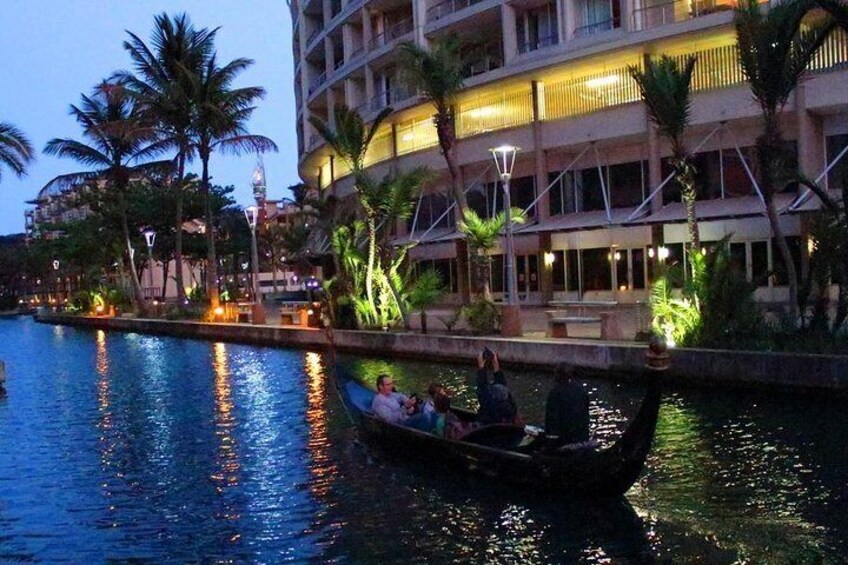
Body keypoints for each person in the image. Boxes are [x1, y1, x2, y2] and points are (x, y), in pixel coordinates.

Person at [544, 363, 591, 447]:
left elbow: (552, 420)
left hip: (565, 440)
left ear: (557, 375)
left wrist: (550, 443)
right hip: (582, 437)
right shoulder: (582, 391)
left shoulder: (555, 393)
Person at [475, 348, 518, 425]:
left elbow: (481, 388)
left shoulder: (488, 406)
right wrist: (495, 363)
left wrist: (481, 367)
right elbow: (501, 384)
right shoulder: (510, 409)